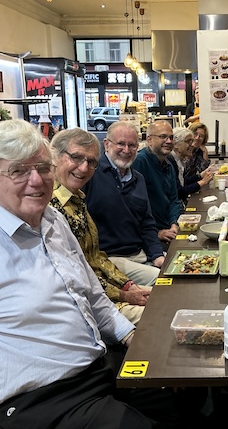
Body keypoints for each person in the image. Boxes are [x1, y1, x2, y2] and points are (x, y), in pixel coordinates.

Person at [0, 120, 153, 428]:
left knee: (185, 393)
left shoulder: (53, 220)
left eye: (43, 168)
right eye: (18, 171)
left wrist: (130, 335)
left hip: (95, 370)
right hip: (36, 401)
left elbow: (92, 295)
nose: (37, 180)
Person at [50, 128, 151, 324]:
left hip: (104, 293)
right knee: (163, 312)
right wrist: (124, 295)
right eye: (76, 158)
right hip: (85, 307)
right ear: (55, 156)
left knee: (167, 296)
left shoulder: (77, 198)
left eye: (91, 162)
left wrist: (128, 286)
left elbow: (96, 257)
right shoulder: (50, 207)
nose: (84, 168)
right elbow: (75, 276)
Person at [83, 121, 163, 285]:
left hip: (139, 254)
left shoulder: (138, 179)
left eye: (132, 145)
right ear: (106, 144)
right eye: (120, 144)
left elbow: (147, 224)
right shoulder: (91, 174)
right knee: (164, 280)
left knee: (180, 267)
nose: (126, 150)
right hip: (108, 258)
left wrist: (157, 255)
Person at [132, 121, 184, 244]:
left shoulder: (169, 166)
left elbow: (173, 200)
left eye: (171, 137)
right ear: (149, 140)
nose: (169, 141)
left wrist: (174, 224)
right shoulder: (140, 162)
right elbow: (132, 207)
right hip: (149, 237)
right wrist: (157, 233)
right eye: (163, 136)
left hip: (168, 230)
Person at [168, 127, 213, 202]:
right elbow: (178, 192)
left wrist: (200, 176)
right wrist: (202, 182)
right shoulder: (170, 162)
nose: (192, 145)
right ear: (175, 144)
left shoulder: (178, 160)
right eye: (189, 141)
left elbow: (182, 181)